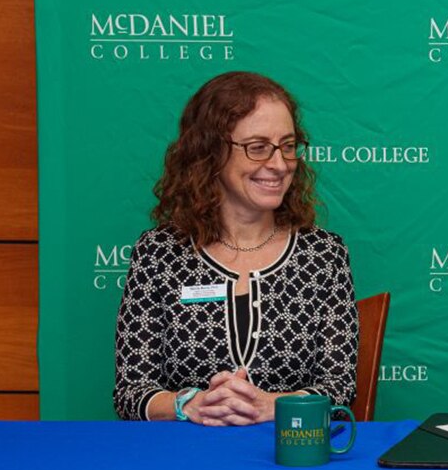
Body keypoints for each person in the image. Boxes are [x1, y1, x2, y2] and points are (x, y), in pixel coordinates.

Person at [114, 72, 358, 423]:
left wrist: (270, 405)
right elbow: (131, 392)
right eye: (258, 147)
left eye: (287, 146)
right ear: (210, 153)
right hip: (182, 459)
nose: (279, 164)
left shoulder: (323, 254)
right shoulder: (159, 253)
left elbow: (339, 386)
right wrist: (191, 404)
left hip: (287, 458)